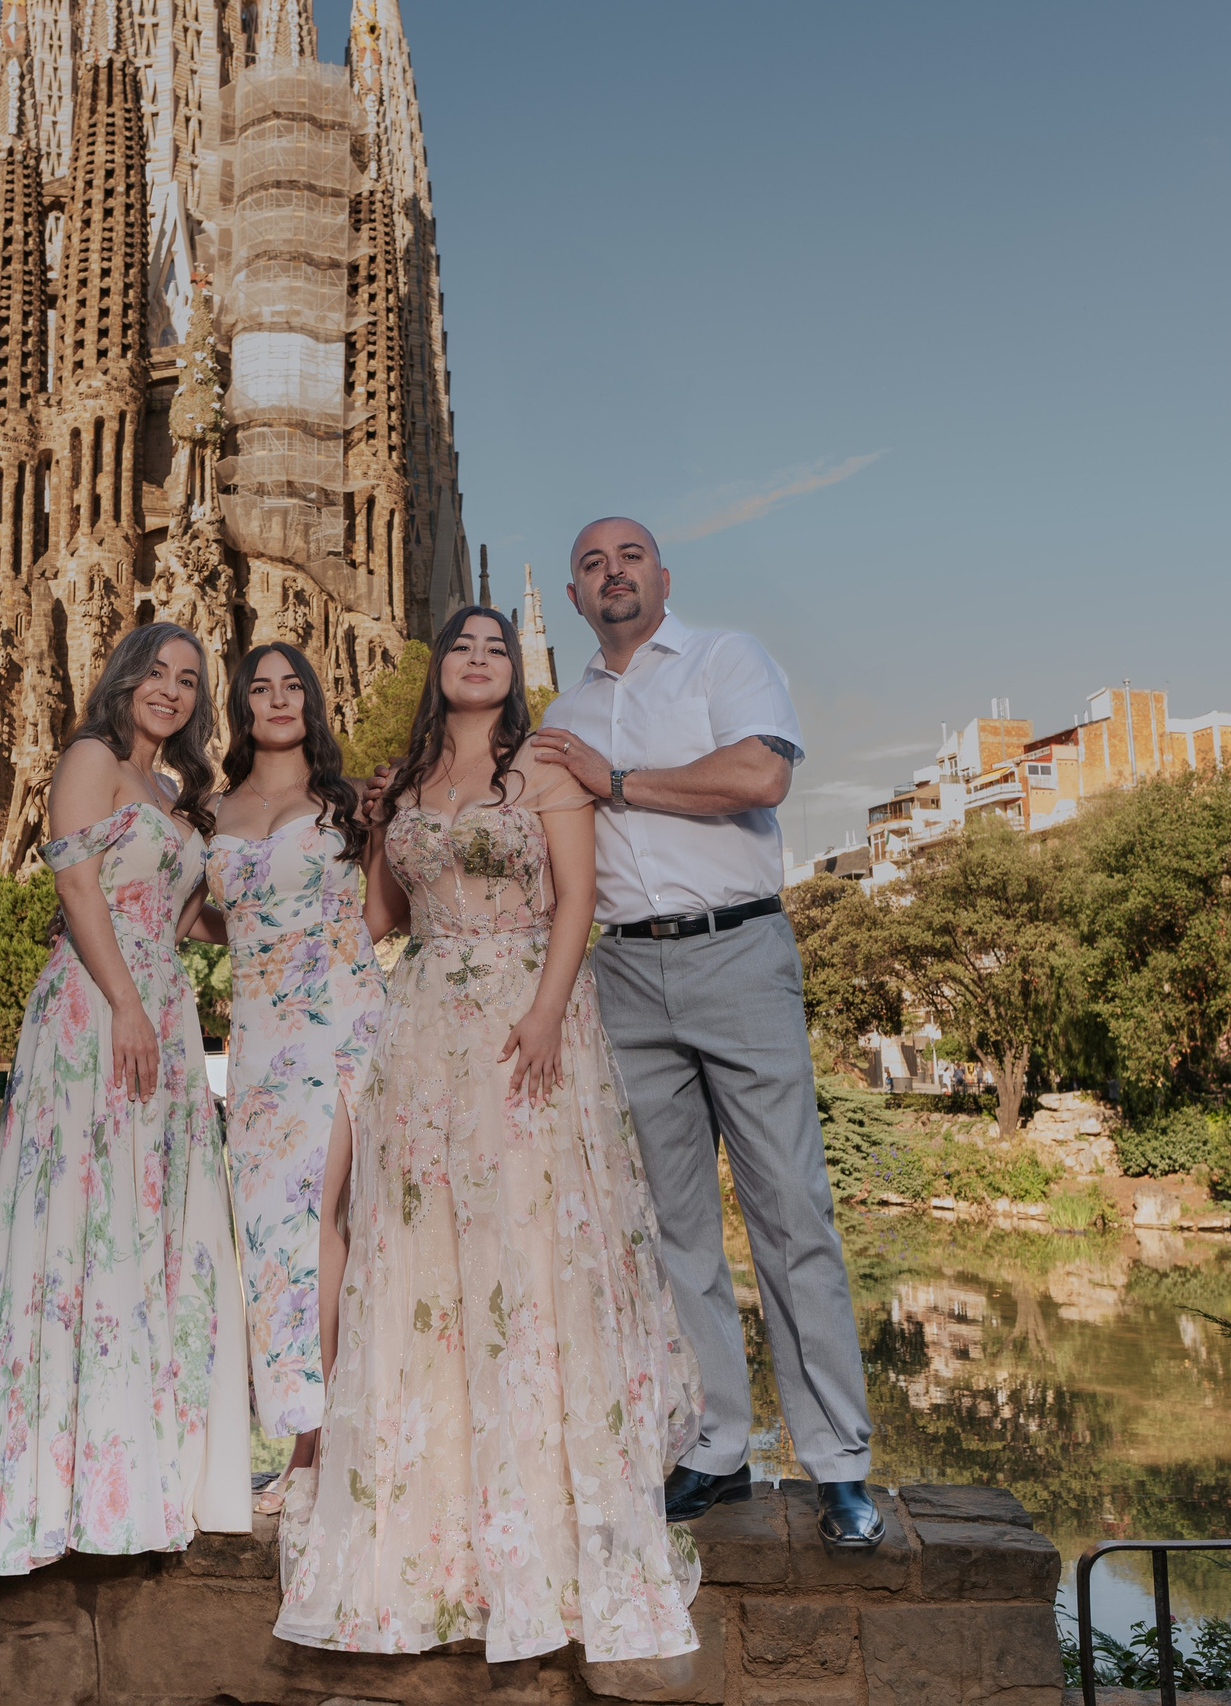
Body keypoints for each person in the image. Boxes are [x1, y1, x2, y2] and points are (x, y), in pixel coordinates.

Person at [274, 606, 703, 1664]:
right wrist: (269, 898)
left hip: (524, 1017)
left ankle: (542, 1527)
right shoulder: (404, 785)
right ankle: (433, 1539)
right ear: (440, 671)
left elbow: (576, 902)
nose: (478, 658)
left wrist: (549, 1010)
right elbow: (378, 917)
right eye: (462, 646)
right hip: (421, 1034)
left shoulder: (546, 766)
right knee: (423, 1254)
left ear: (514, 671)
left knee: (524, 1241)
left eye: (495, 647)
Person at [523, 517, 882, 1548]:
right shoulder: (564, 709)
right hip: (624, 969)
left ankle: (838, 1461)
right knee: (673, 1229)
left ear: (661, 575)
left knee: (789, 1211)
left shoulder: (725, 658)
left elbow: (759, 776)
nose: (612, 573)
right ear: (576, 592)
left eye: (628, 555)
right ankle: (715, 1444)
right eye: (591, 563)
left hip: (736, 952)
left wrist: (620, 782)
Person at [0, 622, 253, 1574]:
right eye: (158, 671)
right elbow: (76, 883)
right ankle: (59, 1479)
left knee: (148, 1223)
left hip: (163, 1014)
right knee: (85, 1214)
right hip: (100, 1009)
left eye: (190, 680)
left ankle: (137, 1469)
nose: (173, 690)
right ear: (125, 677)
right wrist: (124, 1005)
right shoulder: (92, 758)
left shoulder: (169, 794)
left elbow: (191, 917)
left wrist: (290, 910)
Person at [194, 642, 386, 1512]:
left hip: (342, 1027)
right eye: (259, 689)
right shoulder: (213, 811)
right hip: (260, 1044)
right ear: (242, 709)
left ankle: (323, 1449)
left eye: (291, 686)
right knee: (269, 1240)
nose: (277, 699)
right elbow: (197, 918)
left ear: (311, 701)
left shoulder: (347, 804)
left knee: (321, 1226)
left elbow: (387, 910)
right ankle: (307, 1430)